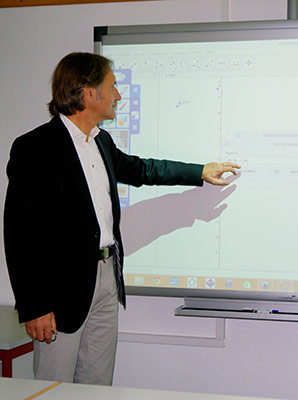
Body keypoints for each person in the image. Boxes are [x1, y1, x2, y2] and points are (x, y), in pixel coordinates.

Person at [3, 52, 240, 385]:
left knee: (97, 383)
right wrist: (34, 307)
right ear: (88, 94)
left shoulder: (102, 141)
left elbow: (142, 169)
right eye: (112, 87)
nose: (118, 95)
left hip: (105, 277)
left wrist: (200, 171)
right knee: (52, 387)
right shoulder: (35, 148)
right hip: (59, 292)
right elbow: (18, 234)